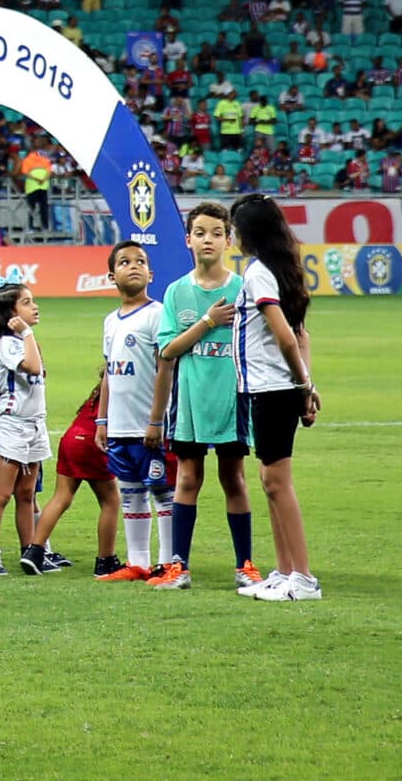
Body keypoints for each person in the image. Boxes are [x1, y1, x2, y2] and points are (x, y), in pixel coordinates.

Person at [149, 200, 259, 588]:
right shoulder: (177, 292)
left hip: (233, 400)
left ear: (229, 240)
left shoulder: (243, 289)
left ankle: (245, 565)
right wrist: (208, 321)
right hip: (190, 401)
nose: (208, 240)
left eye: (216, 233)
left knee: (234, 479)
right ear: (188, 240)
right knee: (188, 478)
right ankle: (179, 566)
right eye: (200, 233)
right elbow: (167, 350)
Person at [227, 193, 322, 600]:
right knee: (269, 480)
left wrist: (303, 387)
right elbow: (302, 334)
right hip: (273, 387)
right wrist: (307, 384)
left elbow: (286, 336)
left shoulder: (257, 274)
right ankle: (284, 571)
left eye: (232, 226)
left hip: (273, 387)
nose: (231, 234)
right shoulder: (279, 270)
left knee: (278, 482)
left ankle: (303, 576)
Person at [92, 242, 172, 582]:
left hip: (148, 425)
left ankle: (169, 561)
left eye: (140, 261)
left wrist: (157, 419)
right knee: (130, 493)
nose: (133, 266)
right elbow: (110, 372)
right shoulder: (111, 321)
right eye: (124, 262)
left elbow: (164, 368)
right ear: (112, 276)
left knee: (161, 491)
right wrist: (102, 419)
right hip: (120, 425)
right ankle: (138, 561)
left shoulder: (157, 314)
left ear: (151, 273)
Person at [0, 283, 47, 576]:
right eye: (27, 302)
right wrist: (27, 333)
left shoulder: (23, 339)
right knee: (1, 493)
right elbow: (31, 367)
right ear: (11, 314)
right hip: (12, 425)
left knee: (27, 494)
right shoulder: (7, 343)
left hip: (34, 424)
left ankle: (30, 552)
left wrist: (28, 335)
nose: (35, 306)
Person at [21, 382, 115, 576]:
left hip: (72, 439)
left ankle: (34, 552)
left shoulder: (98, 391)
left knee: (61, 497)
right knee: (111, 501)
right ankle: (105, 562)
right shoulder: (124, 388)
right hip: (92, 442)